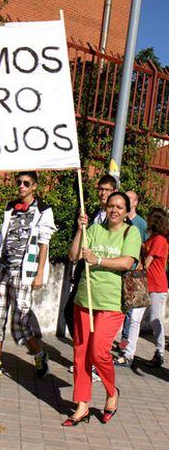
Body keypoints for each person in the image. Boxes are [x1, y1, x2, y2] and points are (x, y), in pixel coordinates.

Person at [63, 192, 141, 426]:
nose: (114, 210)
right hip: (85, 301)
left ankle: (111, 392)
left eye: (119, 207)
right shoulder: (94, 230)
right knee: (81, 354)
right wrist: (80, 230)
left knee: (98, 352)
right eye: (110, 206)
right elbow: (73, 256)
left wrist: (97, 260)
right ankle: (82, 405)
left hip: (112, 304)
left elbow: (127, 262)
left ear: (127, 212)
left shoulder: (131, 232)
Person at [0, 171, 56, 378]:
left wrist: (39, 274)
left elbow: (44, 244)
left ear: (34, 186)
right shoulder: (10, 207)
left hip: (24, 272)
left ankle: (39, 354)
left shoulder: (44, 210)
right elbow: (2, 239)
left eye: (26, 183)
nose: (21, 186)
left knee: (20, 321)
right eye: (19, 182)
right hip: (4, 269)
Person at [64, 174, 117, 382]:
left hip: (103, 279)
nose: (103, 193)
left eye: (107, 190)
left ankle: (93, 361)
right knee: (71, 313)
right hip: (83, 276)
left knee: (96, 324)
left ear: (114, 192)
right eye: (100, 189)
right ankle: (86, 357)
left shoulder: (120, 221)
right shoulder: (92, 213)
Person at [115, 207, 168, 368]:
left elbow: (147, 263)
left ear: (154, 221)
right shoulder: (152, 238)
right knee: (135, 319)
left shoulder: (159, 240)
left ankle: (159, 353)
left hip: (156, 285)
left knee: (155, 319)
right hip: (144, 283)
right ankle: (128, 354)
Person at [118, 190, 148, 352]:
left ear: (136, 203)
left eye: (130, 199)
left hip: (133, 272)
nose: (127, 201)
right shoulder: (119, 220)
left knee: (130, 311)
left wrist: (140, 269)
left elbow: (146, 249)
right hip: (118, 269)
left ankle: (124, 343)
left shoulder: (141, 224)